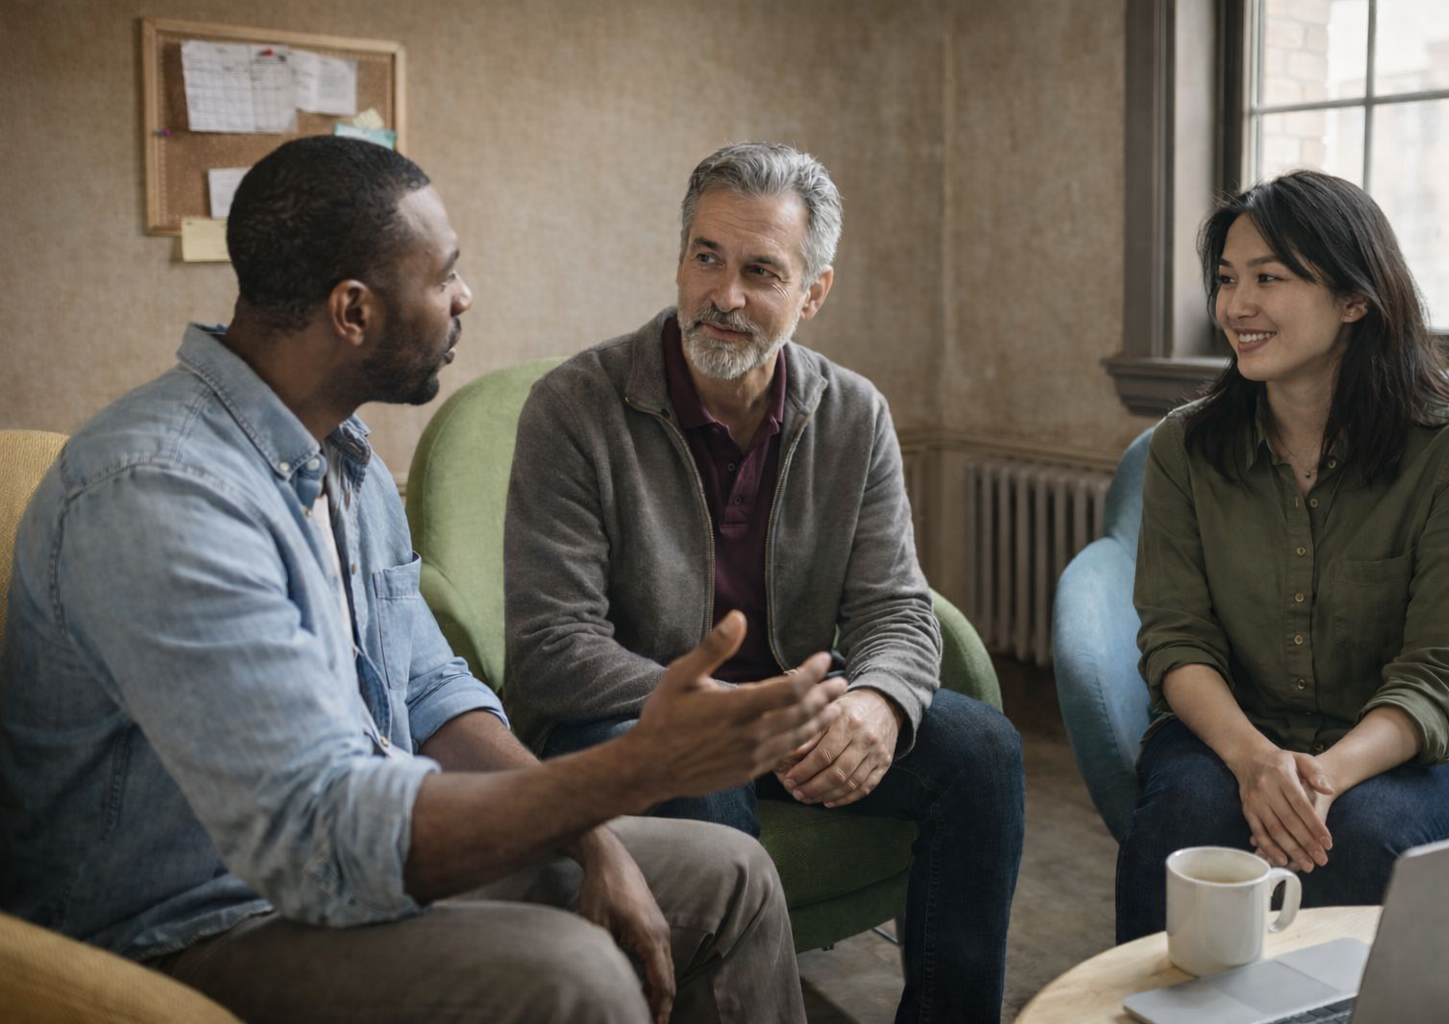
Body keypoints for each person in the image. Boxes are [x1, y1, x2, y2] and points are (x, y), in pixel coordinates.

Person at [0, 136, 849, 1024]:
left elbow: (429, 688)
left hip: (348, 860)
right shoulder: (160, 494)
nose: (464, 297)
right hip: (188, 923)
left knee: (731, 872)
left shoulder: (346, 461)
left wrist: (593, 837)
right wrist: (633, 769)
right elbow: (319, 834)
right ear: (354, 312)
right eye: (444, 275)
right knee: (576, 973)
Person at [503, 141, 1025, 1024]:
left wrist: (882, 703)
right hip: (631, 722)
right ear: (680, 259)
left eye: (760, 271)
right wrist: (725, 708)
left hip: (795, 712)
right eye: (706, 256)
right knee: (705, 779)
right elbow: (552, 649)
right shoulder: (574, 407)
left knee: (983, 753)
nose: (725, 295)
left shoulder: (854, 412)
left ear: (812, 293)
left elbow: (896, 606)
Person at [1117, 169, 1449, 942]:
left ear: (1354, 299)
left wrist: (1319, 778)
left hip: (1419, 752)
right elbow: (1176, 637)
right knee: (1185, 812)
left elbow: (1438, 677)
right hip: (1237, 725)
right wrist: (1254, 759)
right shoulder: (1185, 447)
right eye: (1228, 279)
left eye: (1268, 278)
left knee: (1362, 833)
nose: (1236, 306)